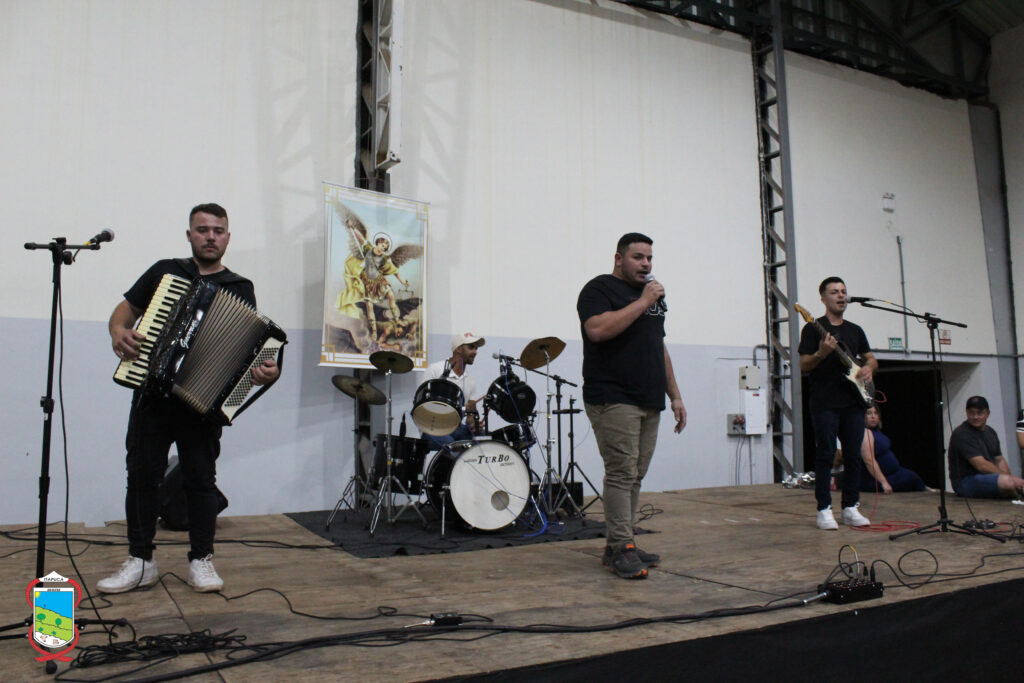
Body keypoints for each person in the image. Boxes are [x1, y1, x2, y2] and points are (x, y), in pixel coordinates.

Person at [98, 203, 280, 594]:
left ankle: (201, 559)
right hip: (152, 397)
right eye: (202, 230)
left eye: (218, 230)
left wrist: (268, 372)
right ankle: (141, 560)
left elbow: (249, 351)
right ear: (189, 235)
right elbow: (125, 311)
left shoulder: (240, 287)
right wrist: (118, 331)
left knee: (201, 481)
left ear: (227, 237)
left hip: (201, 406)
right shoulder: (165, 272)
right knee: (142, 477)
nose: (210, 237)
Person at [577, 233, 686, 579]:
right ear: (618, 258)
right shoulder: (599, 289)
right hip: (613, 396)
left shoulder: (652, 297)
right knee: (621, 473)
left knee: (635, 474)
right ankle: (622, 546)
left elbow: (658, 345)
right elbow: (597, 330)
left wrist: (675, 395)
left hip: (649, 398)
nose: (646, 264)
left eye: (649, 258)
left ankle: (619, 545)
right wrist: (643, 301)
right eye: (638, 257)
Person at [798, 276, 877, 530]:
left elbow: (870, 358)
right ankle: (824, 509)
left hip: (853, 401)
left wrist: (868, 368)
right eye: (834, 292)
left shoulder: (855, 330)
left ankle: (851, 507)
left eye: (843, 291)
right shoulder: (813, 328)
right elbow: (803, 365)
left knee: (853, 455)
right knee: (826, 453)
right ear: (823, 299)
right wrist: (821, 353)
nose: (841, 296)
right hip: (825, 401)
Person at [947, 396, 1024, 498]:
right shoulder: (962, 433)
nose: (975, 417)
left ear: (988, 413)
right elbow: (981, 465)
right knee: (1007, 482)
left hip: (987, 478)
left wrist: (1011, 478)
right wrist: (1010, 479)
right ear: (966, 412)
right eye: (971, 413)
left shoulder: (990, 432)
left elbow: (999, 460)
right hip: (965, 481)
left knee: (1014, 482)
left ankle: (1016, 496)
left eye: (980, 413)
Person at [419, 332, 485, 450]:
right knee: (454, 446)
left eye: (476, 348)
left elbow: (471, 414)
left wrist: (474, 424)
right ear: (459, 349)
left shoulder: (470, 380)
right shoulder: (435, 370)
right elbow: (421, 403)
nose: (475, 352)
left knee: (486, 440)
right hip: (432, 428)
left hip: (458, 428)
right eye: (471, 347)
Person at [858, 406, 928, 493]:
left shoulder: (876, 432)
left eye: (875, 413)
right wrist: (883, 482)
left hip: (893, 474)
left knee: (913, 477)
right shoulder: (865, 433)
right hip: (876, 480)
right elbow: (869, 461)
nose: (873, 416)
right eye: (869, 413)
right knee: (912, 479)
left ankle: (926, 489)